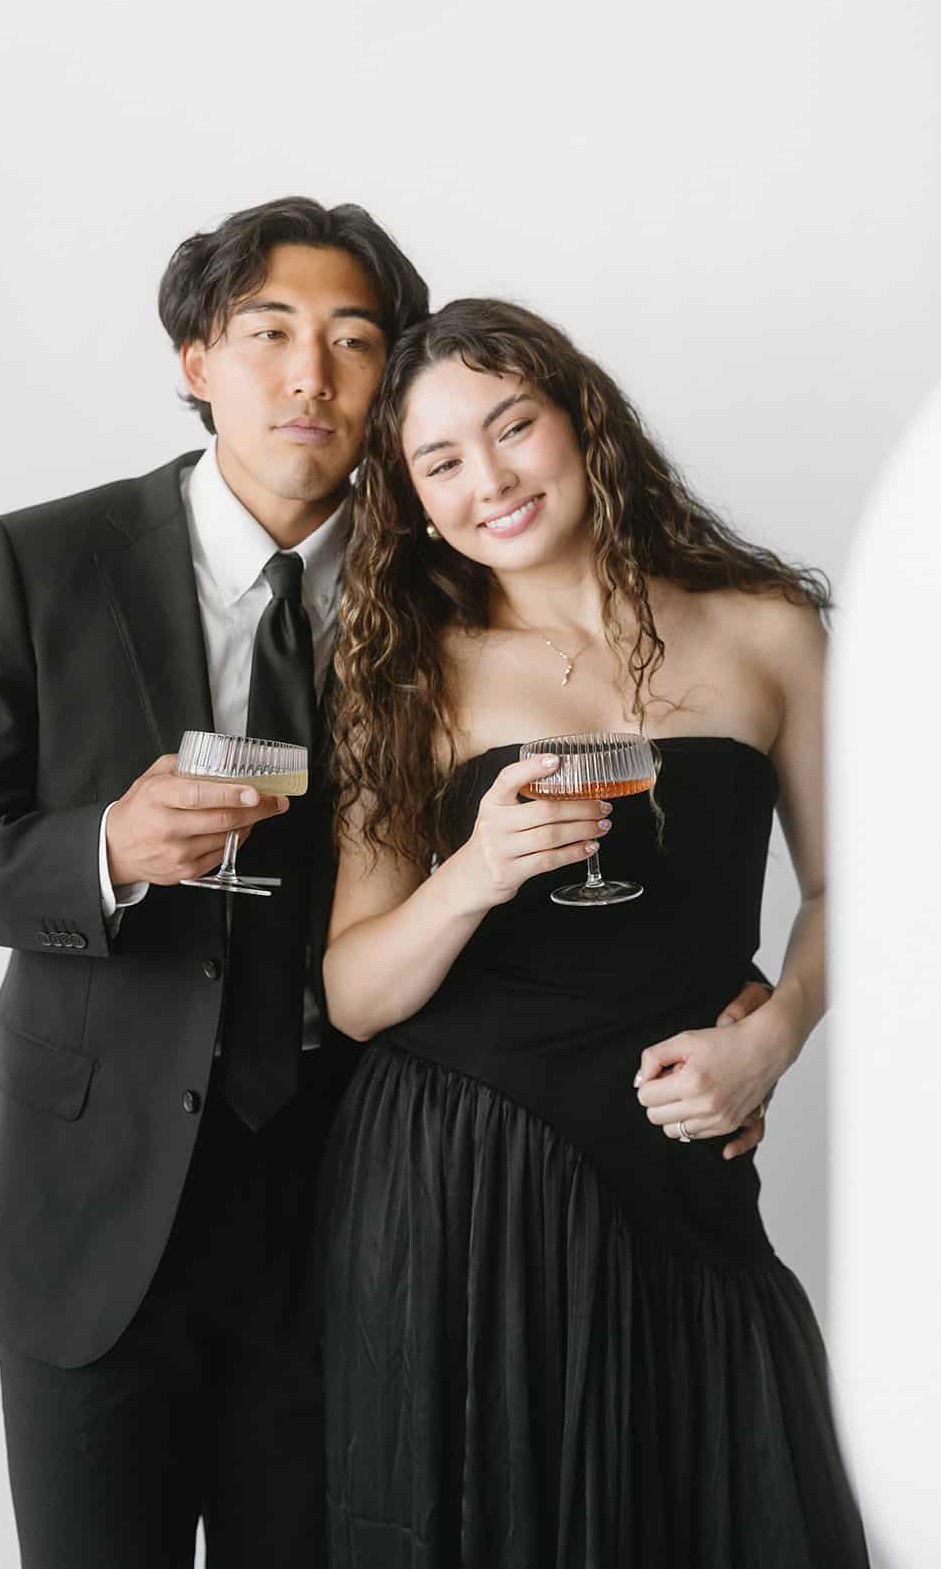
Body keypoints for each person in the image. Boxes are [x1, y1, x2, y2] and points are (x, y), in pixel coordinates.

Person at [0, 196, 430, 1569]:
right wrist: (103, 851)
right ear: (195, 359)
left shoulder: (441, 586)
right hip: (86, 1195)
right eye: (268, 333)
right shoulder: (42, 559)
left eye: (354, 341)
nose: (310, 376)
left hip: (346, 1202)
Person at [320, 299, 868, 1566]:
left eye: (511, 426)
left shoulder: (767, 627)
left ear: (582, 420)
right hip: (466, 1175)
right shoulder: (408, 666)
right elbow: (352, 991)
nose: (488, 479)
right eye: (439, 461)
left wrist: (773, 1038)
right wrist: (471, 874)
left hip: (685, 1153)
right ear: (412, 502)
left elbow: (860, 888)